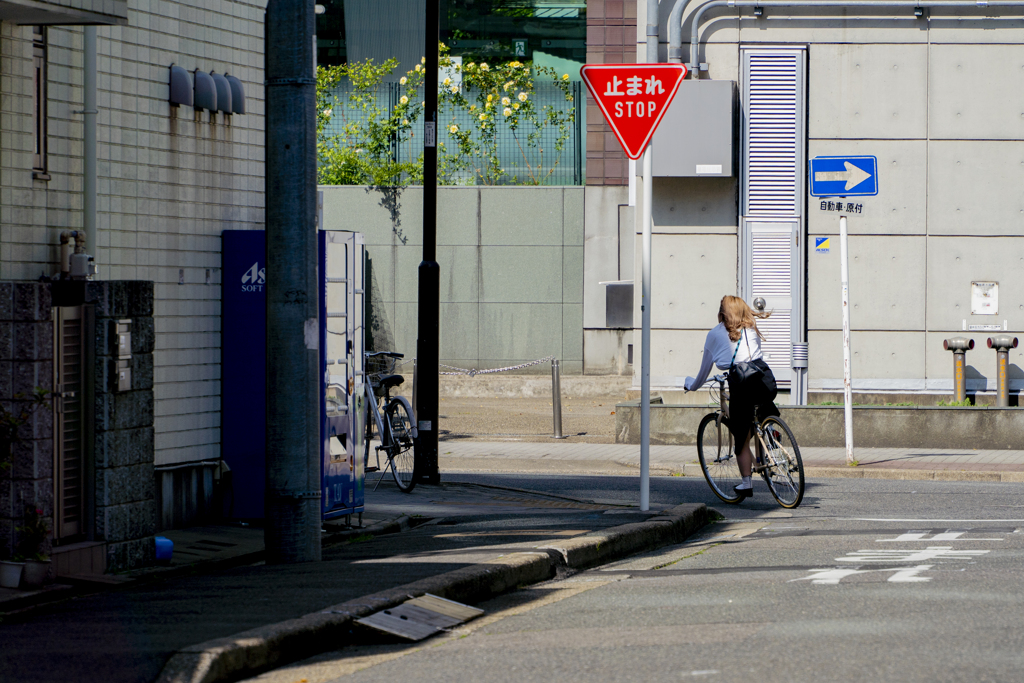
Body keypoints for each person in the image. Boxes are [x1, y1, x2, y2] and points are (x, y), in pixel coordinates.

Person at [684, 295, 780, 498]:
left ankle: (746, 484)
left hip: (741, 385)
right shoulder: (751, 327)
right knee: (762, 405)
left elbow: (703, 373)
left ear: (721, 313)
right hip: (765, 379)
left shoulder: (714, 334)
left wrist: (691, 385)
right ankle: (769, 430)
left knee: (740, 438)